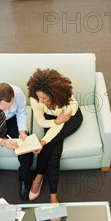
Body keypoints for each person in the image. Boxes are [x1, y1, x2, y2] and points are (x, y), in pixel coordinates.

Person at [27, 68, 83, 203]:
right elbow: (41, 122)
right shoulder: (36, 99)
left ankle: (38, 178)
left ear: (54, 94)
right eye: (38, 97)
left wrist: (44, 142)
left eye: (44, 97)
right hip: (53, 119)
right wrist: (55, 121)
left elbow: (58, 128)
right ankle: (53, 196)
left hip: (71, 120)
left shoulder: (69, 103)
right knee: (54, 151)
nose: (40, 101)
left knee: (51, 146)